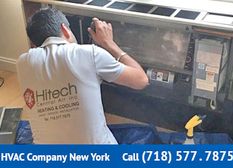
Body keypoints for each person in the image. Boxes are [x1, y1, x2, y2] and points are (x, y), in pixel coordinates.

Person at [17, 8, 148, 144]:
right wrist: (109, 44)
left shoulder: (22, 63)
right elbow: (141, 80)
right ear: (65, 29)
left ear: (33, 43)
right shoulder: (89, 53)